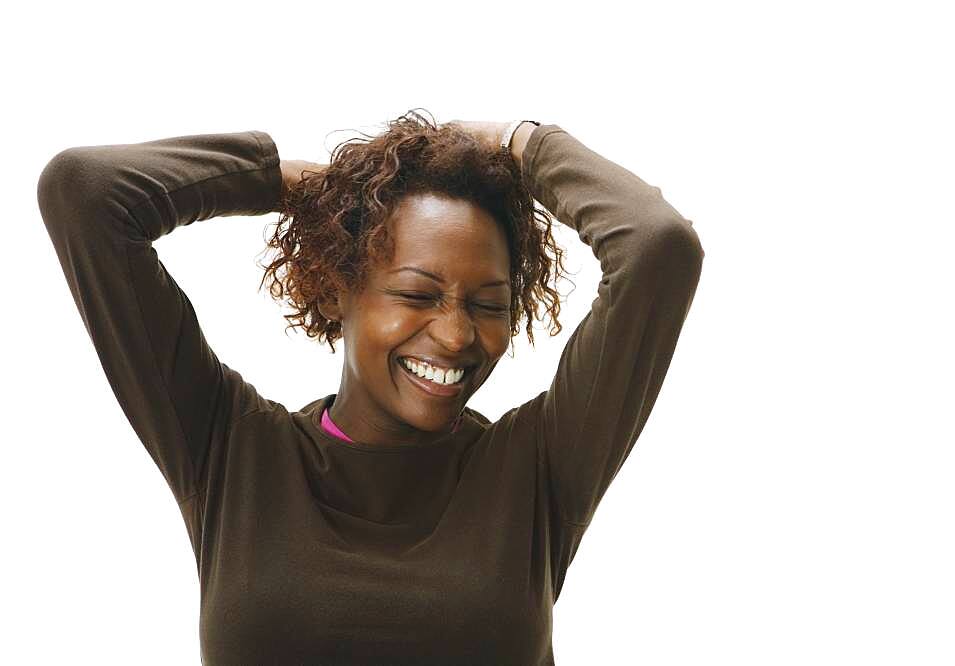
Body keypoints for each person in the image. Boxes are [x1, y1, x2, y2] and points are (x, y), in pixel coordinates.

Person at [37, 110, 704, 665]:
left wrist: (523, 144)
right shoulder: (230, 451)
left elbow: (658, 246)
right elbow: (86, 194)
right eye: (417, 294)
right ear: (335, 291)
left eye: (488, 303)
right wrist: (293, 187)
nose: (455, 335)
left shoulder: (538, 466)